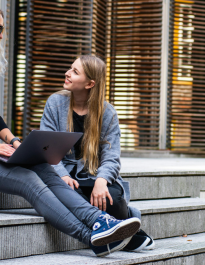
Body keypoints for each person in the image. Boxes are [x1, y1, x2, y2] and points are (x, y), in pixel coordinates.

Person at [0, 0, 141, 257]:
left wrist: (17, 144)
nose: (1, 34)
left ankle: (99, 220)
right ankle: (91, 237)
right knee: (28, 179)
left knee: (42, 165)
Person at [39, 55, 155, 255]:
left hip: (93, 174)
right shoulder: (55, 103)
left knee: (113, 198)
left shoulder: (107, 112)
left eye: (75, 72)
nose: (67, 73)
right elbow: (46, 148)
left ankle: (119, 224)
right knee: (68, 194)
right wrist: (62, 175)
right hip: (65, 174)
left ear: (90, 83)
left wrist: (102, 181)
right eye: (70, 68)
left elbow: (112, 156)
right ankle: (128, 235)